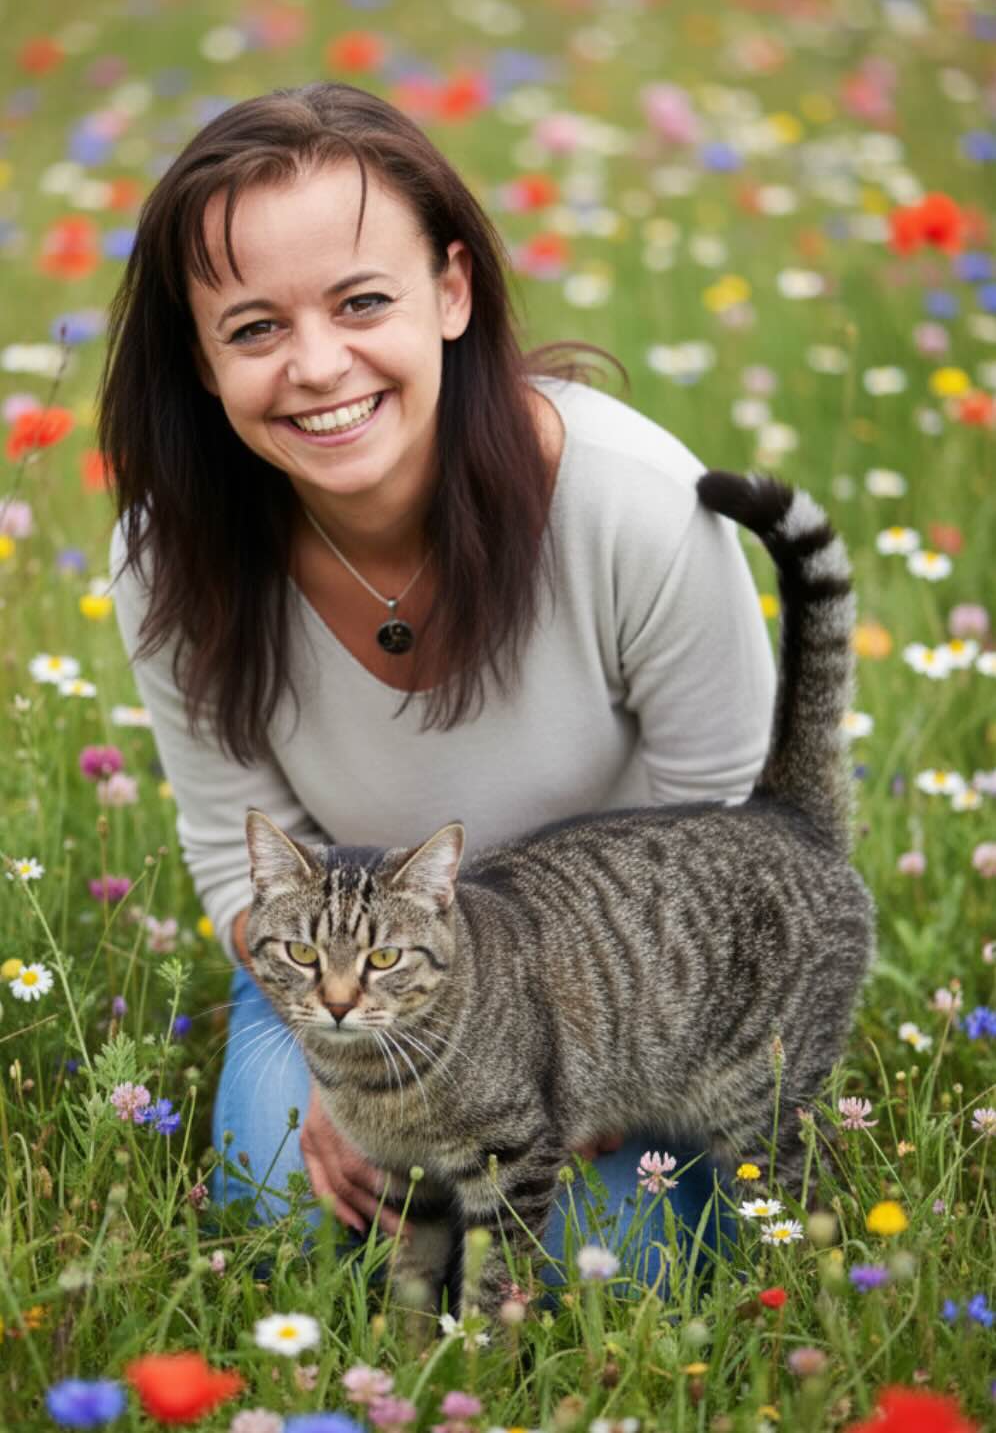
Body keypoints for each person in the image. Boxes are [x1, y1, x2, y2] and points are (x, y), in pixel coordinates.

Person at [102, 81, 776, 1289]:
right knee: (294, 1216)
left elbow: (731, 852)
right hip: (349, 976)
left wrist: (588, 1073)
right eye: (253, 328)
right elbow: (229, 848)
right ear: (202, 361)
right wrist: (339, 1063)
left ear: (452, 291)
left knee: (591, 1262)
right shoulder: (174, 560)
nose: (317, 366)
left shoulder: (629, 506)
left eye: (363, 303)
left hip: (625, 997)